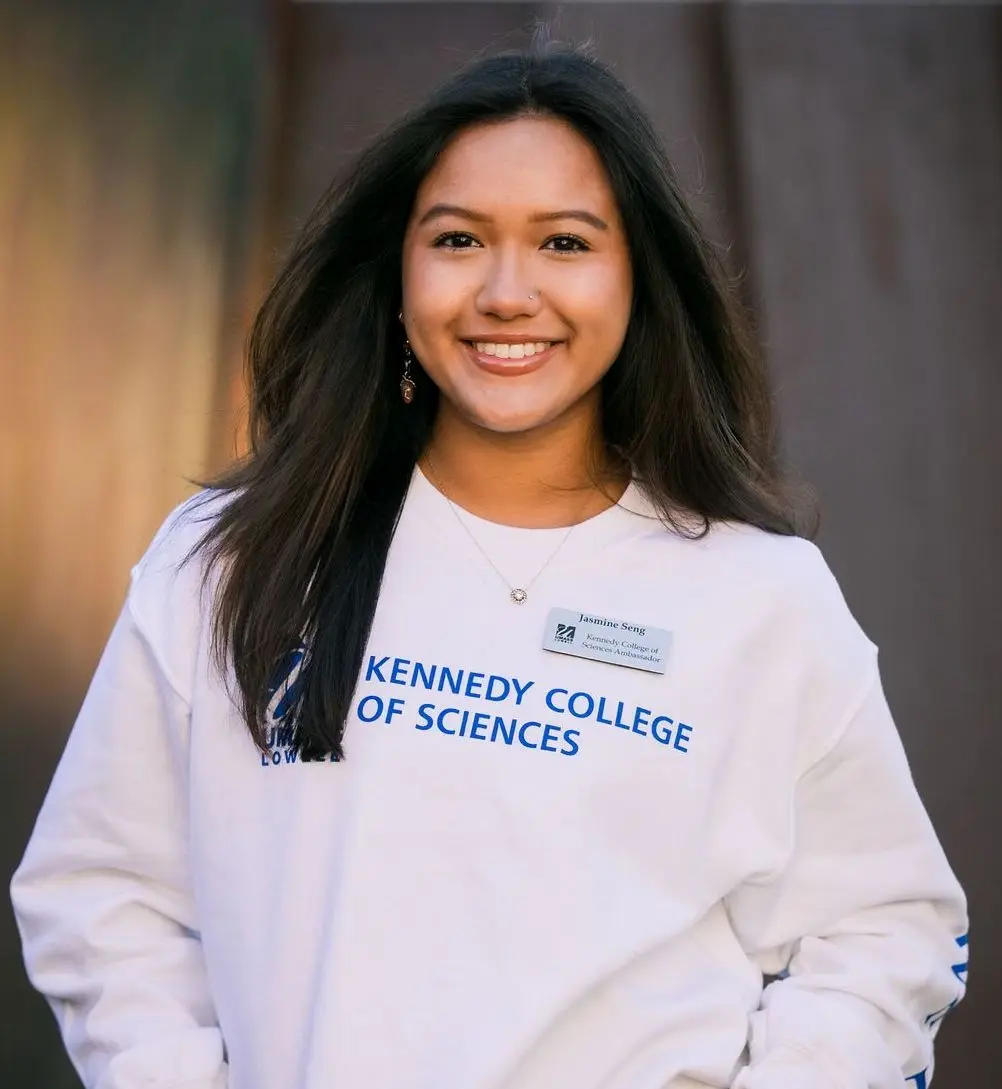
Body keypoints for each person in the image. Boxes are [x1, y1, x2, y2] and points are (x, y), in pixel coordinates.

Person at [11, 37, 967, 1089]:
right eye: (459, 239)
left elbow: (886, 931)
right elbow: (98, 894)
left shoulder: (760, 599)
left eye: (565, 242)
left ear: (637, 278)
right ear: (399, 272)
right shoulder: (233, 558)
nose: (508, 293)